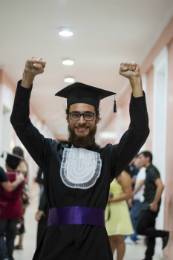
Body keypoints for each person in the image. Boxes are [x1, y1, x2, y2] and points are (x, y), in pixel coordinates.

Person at [10, 57, 149, 260]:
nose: (81, 121)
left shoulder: (109, 158)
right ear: (67, 118)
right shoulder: (50, 153)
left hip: (95, 246)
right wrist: (27, 79)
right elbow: (20, 122)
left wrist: (136, 84)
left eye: (88, 115)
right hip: (55, 244)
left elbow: (139, 131)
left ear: (97, 118)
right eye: (75, 115)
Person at [136, 151, 171, 260]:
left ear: (147, 159)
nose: (138, 159)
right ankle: (148, 257)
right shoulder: (147, 171)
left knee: (140, 229)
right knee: (150, 230)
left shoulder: (152, 170)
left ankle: (164, 234)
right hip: (148, 204)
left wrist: (154, 203)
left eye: (140, 157)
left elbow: (160, 186)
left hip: (150, 205)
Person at [105, 166, 133, 260]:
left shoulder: (123, 174)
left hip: (118, 209)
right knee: (110, 237)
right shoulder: (110, 172)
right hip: (108, 209)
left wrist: (112, 200)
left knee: (119, 237)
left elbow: (128, 194)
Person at [0, 153, 24, 260]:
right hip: (15, 209)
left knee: (0, 234)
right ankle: (10, 256)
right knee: (11, 235)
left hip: (3, 209)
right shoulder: (21, 177)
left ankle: (4, 256)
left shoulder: (3, 175)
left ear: (6, 165)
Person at [125, 155, 146, 244]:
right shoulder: (141, 171)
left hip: (138, 198)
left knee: (132, 217)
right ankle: (132, 236)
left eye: (140, 159)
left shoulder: (143, 171)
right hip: (136, 198)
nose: (138, 161)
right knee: (134, 217)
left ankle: (131, 236)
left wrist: (131, 195)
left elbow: (140, 184)